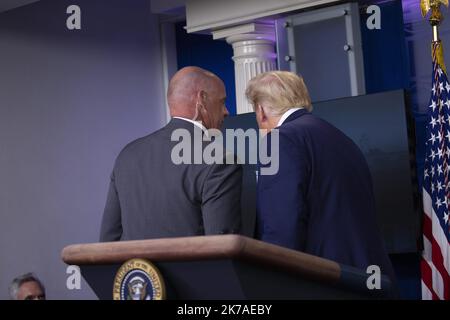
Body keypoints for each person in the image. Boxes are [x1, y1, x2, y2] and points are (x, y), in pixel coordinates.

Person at [245, 71, 397, 286]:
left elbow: (283, 225)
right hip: (367, 277)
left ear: (260, 111)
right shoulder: (341, 138)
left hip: (325, 280)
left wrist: (271, 283)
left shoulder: (279, 140)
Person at [100, 66, 242, 241]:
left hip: (135, 268)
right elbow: (223, 245)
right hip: (193, 269)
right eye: (222, 102)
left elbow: (108, 240)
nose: (226, 111)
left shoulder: (128, 155)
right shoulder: (219, 159)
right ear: (201, 100)